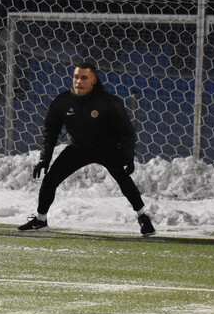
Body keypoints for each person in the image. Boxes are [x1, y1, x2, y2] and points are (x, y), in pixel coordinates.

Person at [19, 61, 155, 237]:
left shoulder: (109, 102)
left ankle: (143, 217)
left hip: (106, 148)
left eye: (84, 78)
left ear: (93, 80)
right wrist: (45, 158)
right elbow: (50, 130)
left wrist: (128, 157)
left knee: (123, 179)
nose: (78, 82)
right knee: (50, 179)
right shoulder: (63, 101)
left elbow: (126, 132)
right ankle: (41, 220)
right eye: (76, 77)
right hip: (78, 149)